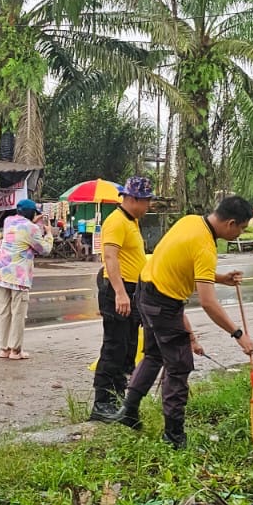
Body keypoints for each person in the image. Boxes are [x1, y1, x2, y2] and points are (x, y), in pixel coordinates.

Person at [116, 196, 253, 448]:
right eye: (242, 228)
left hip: (145, 292)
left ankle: (128, 412)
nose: (241, 233)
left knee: (153, 355)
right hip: (164, 303)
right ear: (231, 223)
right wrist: (238, 334)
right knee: (178, 367)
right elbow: (208, 303)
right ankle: (174, 436)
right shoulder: (206, 246)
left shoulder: (191, 221)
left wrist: (222, 278)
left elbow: (186, 265)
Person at [90, 176, 154, 422]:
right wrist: (120, 293)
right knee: (114, 347)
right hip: (118, 291)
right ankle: (101, 403)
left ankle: (117, 398)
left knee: (127, 347)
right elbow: (110, 257)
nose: (148, 206)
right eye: (146, 201)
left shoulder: (131, 221)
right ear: (133, 199)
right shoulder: (116, 221)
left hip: (132, 291)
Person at [0, 199, 51, 360]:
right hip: (19, 277)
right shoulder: (31, 228)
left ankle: (4, 348)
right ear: (32, 213)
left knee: (4, 313)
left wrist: (33, 221)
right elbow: (44, 249)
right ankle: (15, 351)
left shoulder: (8, 221)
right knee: (18, 313)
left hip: (2, 273)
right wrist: (49, 234)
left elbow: (22, 229)